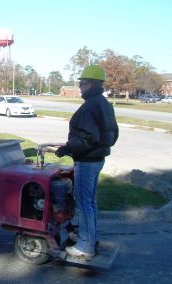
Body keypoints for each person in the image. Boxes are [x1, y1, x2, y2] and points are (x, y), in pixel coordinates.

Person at [55, 65, 119, 259]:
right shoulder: (104, 103)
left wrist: (69, 147)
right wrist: (72, 145)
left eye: (82, 83)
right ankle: (89, 238)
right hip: (97, 159)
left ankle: (85, 246)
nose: (80, 87)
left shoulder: (91, 105)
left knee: (84, 204)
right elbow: (112, 134)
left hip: (87, 161)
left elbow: (88, 137)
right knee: (90, 203)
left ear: (90, 84)